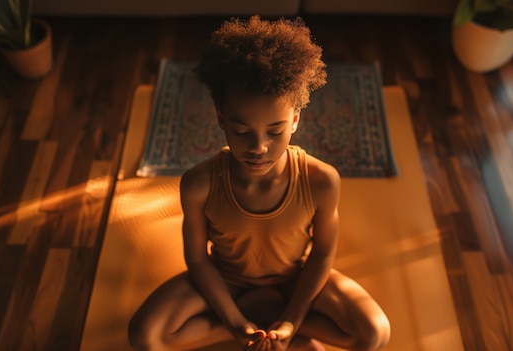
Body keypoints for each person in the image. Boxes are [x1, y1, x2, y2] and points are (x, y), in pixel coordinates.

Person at [128, 15, 390, 351]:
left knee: (375, 333)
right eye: (241, 131)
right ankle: (252, 318)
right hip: (226, 280)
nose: (258, 147)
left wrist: (291, 322)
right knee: (143, 335)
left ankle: (269, 318)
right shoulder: (199, 183)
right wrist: (235, 324)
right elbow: (197, 260)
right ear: (221, 116)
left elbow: (323, 254)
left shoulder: (321, 180)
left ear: (295, 118)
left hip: (294, 282)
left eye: (275, 131)